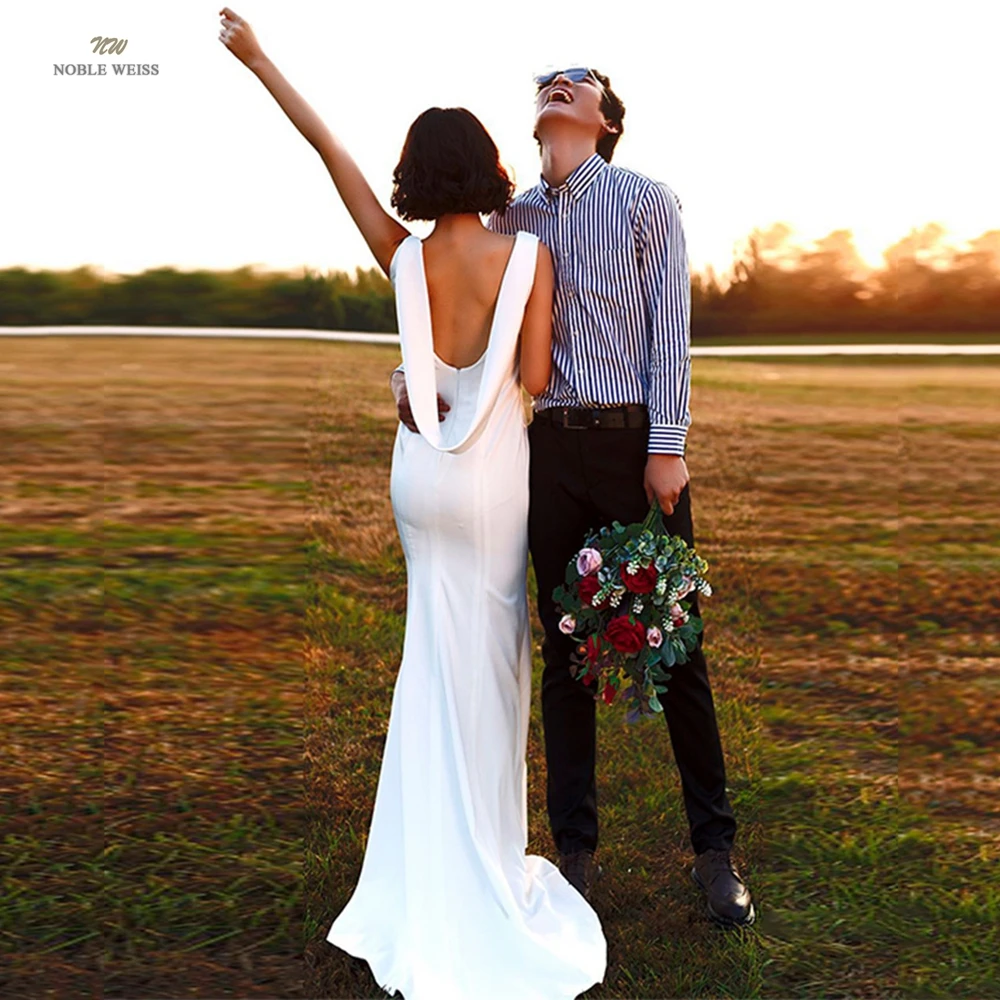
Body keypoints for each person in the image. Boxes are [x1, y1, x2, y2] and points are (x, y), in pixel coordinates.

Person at [219, 10, 608, 998]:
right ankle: (477, 866)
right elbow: (530, 375)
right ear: (484, 167)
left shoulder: (399, 256)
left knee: (424, 665)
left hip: (417, 481)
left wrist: (259, 58)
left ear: (413, 177)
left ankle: (413, 876)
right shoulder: (528, 259)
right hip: (489, 485)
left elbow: (326, 147)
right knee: (487, 673)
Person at [395, 67, 755, 928]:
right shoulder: (510, 222)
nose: (556, 86)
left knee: (679, 650)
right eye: (547, 84)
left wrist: (666, 447)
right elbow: (451, 301)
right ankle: (574, 858)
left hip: (635, 448)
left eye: (576, 83)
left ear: (604, 121)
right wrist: (406, 368)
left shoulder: (644, 201)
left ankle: (715, 852)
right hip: (544, 452)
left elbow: (671, 327)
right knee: (564, 654)